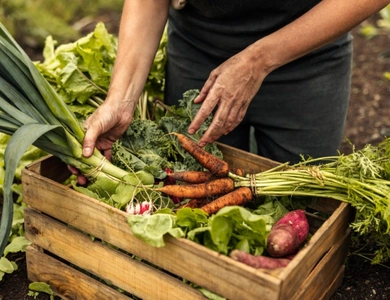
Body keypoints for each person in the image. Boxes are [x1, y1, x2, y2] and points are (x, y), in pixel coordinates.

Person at [80, 0, 390, 165]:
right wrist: (121, 100)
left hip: (309, 53)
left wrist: (257, 60)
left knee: (302, 207)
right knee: (196, 185)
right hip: (199, 49)